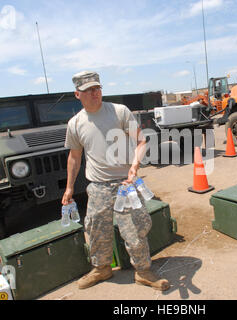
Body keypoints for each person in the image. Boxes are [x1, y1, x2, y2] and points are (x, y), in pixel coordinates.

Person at [62, 71, 170, 291]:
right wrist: (69, 187)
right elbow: (74, 157)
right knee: (96, 231)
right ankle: (102, 269)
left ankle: (143, 272)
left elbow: (141, 141)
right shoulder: (75, 124)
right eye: (89, 90)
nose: (95, 93)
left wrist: (134, 167)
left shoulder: (119, 112)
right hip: (98, 187)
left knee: (135, 231)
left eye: (97, 88)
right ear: (77, 94)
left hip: (125, 185)